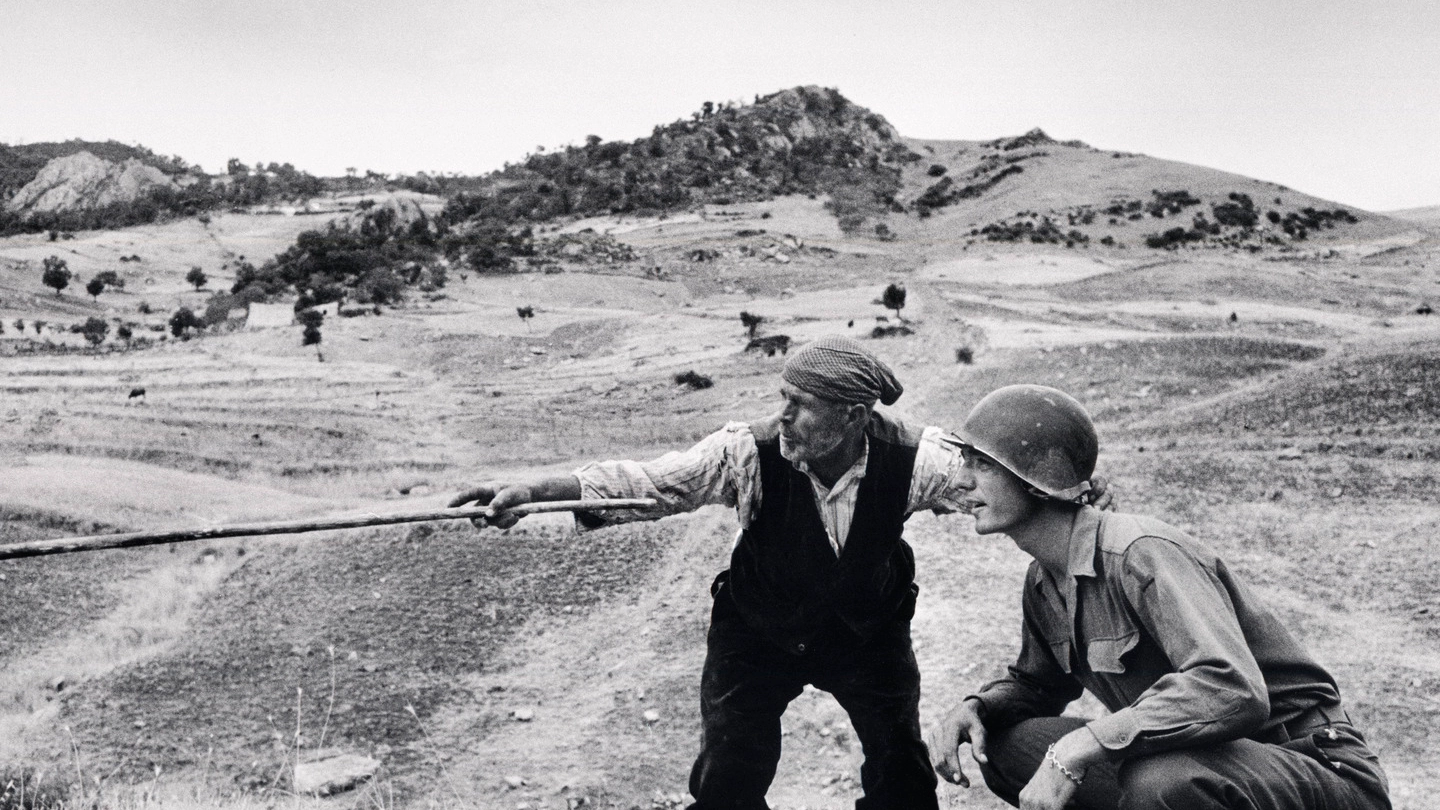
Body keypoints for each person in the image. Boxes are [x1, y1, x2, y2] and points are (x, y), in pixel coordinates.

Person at [450, 335, 974, 809]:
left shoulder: (914, 458)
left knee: (902, 775)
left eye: (801, 405)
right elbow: (649, 484)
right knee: (728, 778)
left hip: (867, 633)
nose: (783, 416)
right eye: (782, 398)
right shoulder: (746, 451)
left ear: (855, 417)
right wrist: (532, 493)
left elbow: (996, 489)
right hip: (758, 631)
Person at [927, 384, 1391, 810]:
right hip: (1201, 762)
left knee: (1160, 781)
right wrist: (977, 708)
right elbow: (1038, 685)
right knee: (1007, 745)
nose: (963, 480)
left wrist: (1080, 746)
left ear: (1036, 479)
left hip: (1311, 767)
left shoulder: (1138, 552)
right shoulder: (1044, 580)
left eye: (982, 464)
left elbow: (1230, 687)